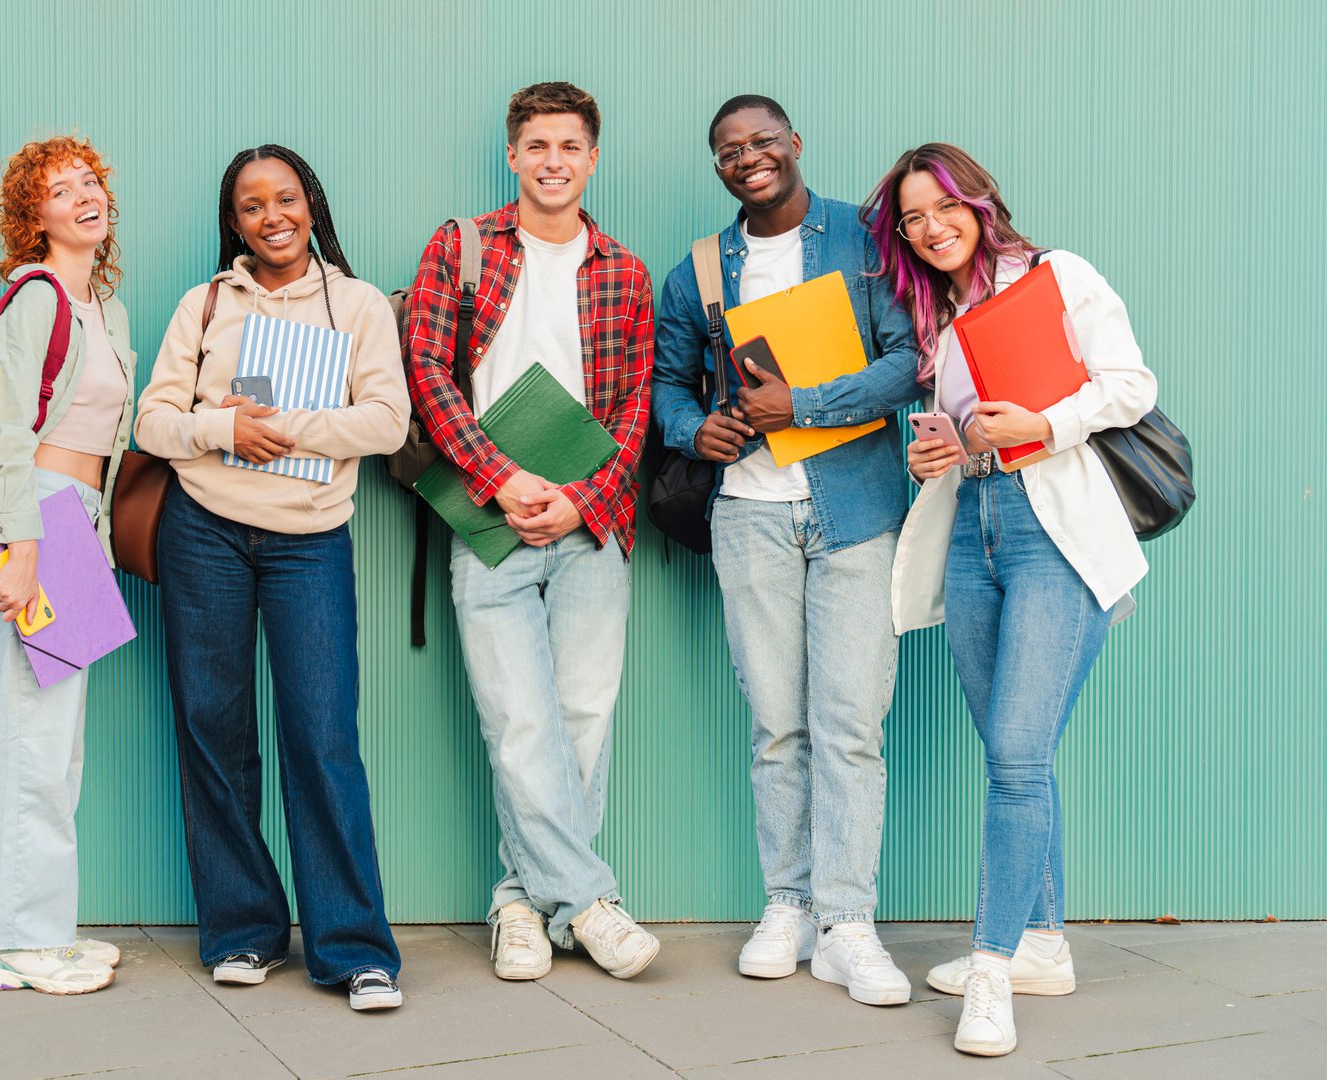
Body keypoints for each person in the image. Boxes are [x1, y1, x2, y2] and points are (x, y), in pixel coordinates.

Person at [867, 142, 1156, 1056]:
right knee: (1008, 748)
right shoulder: (937, 321)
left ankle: (991, 970)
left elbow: (1130, 385)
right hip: (972, 529)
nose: (930, 228)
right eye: (911, 219)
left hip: (1051, 534)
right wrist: (936, 453)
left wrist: (1045, 421)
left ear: (979, 202)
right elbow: (964, 435)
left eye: (941, 207)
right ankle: (1041, 943)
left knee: (1018, 758)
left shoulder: (1052, 276)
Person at [650, 95, 923, 1005]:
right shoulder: (696, 270)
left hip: (854, 512)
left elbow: (904, 361)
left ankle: (849, 924)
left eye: (763, 141)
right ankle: (788, 906)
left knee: (849, 727)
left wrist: (798, 407)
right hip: (750, 517)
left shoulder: (862, 238)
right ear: (716, 165)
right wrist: (699, 432)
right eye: (728, 149)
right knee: (778, 728)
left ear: (795, 144)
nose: (748, 158)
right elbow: (663, 380)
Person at [134, 145, 409, 1011]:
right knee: (212, 729)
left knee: (321, 737)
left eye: (284, 199)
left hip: (308, 539)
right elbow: (151, 421)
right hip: (203, 532)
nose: (271, 217)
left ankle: (354, 948)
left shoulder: (357, 304)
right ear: (235, 221)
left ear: (311, 206)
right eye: (251, 206)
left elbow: (388, 420)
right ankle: (243, 932)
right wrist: (222, 429)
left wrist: (281, 429)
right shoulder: (206, 302)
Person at [402, 82, 659, 982]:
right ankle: (589, 903)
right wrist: (503, 478)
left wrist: (579, 499)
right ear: (512, 157)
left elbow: (634, 410)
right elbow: (428, 372)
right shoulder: (462, 246)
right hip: (486, 514)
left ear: (592, 159)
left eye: (570, 146)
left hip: (591, 521)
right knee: (517, 719)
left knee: (582, 717)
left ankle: (521, 900)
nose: (552, 161)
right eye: (536, 145)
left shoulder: (624, 271)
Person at [0, 136, 136, 995]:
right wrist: (24, 547)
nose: (82, 197)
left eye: (89, 183)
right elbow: (3, 430)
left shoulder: (100, 305)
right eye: (60, 190)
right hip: (38, 519)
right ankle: (15, 945)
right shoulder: (35, 297)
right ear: (34, 219)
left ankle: (39, 931)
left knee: (55, 744)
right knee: (33, 737)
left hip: (78, 527)